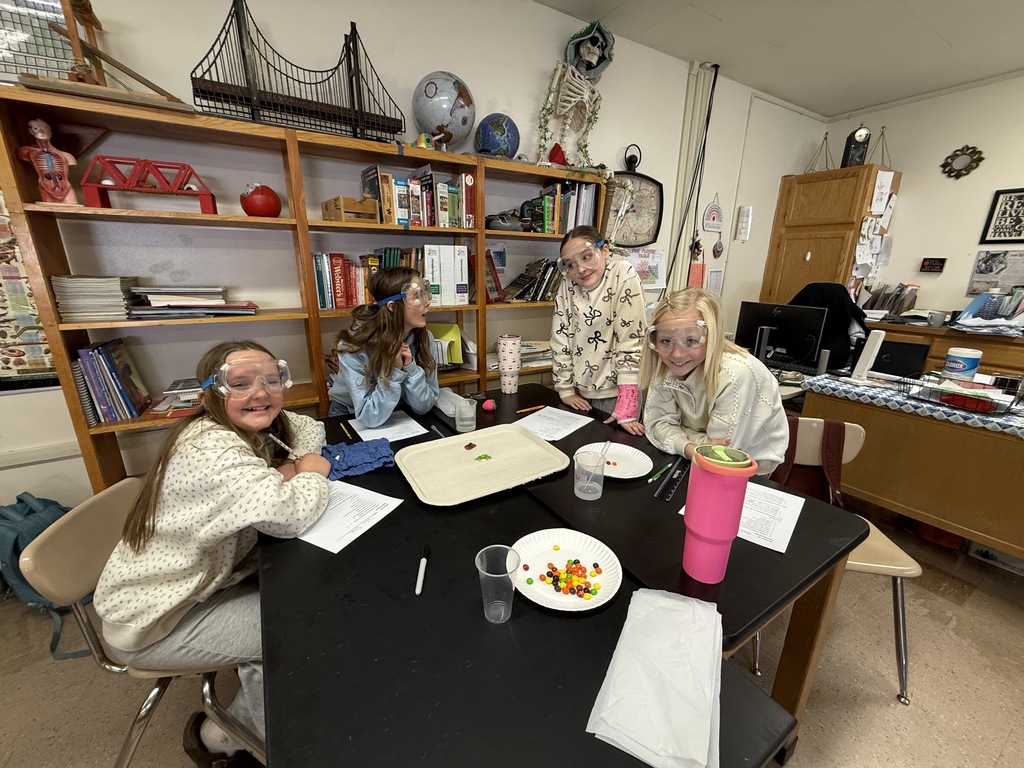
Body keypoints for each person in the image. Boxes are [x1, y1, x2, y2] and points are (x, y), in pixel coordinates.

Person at [93, 340, 331, 766]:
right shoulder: (210, 449)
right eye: (239, 383)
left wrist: (287, 469)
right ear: (210, 394)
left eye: (271, 380)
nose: (260, 393)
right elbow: (289, 515)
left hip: (202, 585)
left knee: (297, 596)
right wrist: (308, 472)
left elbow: (307, 428)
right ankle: (229, 739)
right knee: (290, 630)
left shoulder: (243, 427)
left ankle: (242, 722)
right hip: (152, 619)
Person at [641, 288, 788, 475]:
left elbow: (721, 452)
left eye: (691, 341)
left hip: (750, 470)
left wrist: (680, 432)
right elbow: (657, 425)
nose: (676, 353)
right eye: (665, 341)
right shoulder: (665, 364)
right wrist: (689, 447)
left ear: (713, 336)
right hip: (690, 458)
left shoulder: (735, 374)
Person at [550, 225, 646, 435]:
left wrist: (627, 398)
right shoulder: (567, 284)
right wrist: (565, 389)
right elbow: (561, 338)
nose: (580, 269)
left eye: (586, 257)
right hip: (582, 391)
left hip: (617, 392)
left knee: (615, 452)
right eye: (570, 264)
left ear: (605, 250)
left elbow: (631, 338)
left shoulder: (622, 273)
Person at [328, 266, 439, 427]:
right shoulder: (354, 345)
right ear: (392, 306)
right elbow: (369, 416)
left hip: (401, 413)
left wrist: (410, 368)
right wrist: (393, 371)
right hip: (350, 415)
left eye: (426, 293)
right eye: (417, 296)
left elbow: (424, 407)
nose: (428, 301)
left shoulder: (424, 338)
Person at [17, 119, 78, 205]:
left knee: (73, 204)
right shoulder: (26, 151)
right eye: (36, 128)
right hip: (45, 186)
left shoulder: (67, 156)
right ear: (31, 131)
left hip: (65, 187)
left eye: (44, 128)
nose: (41, 130)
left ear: (50, 132)